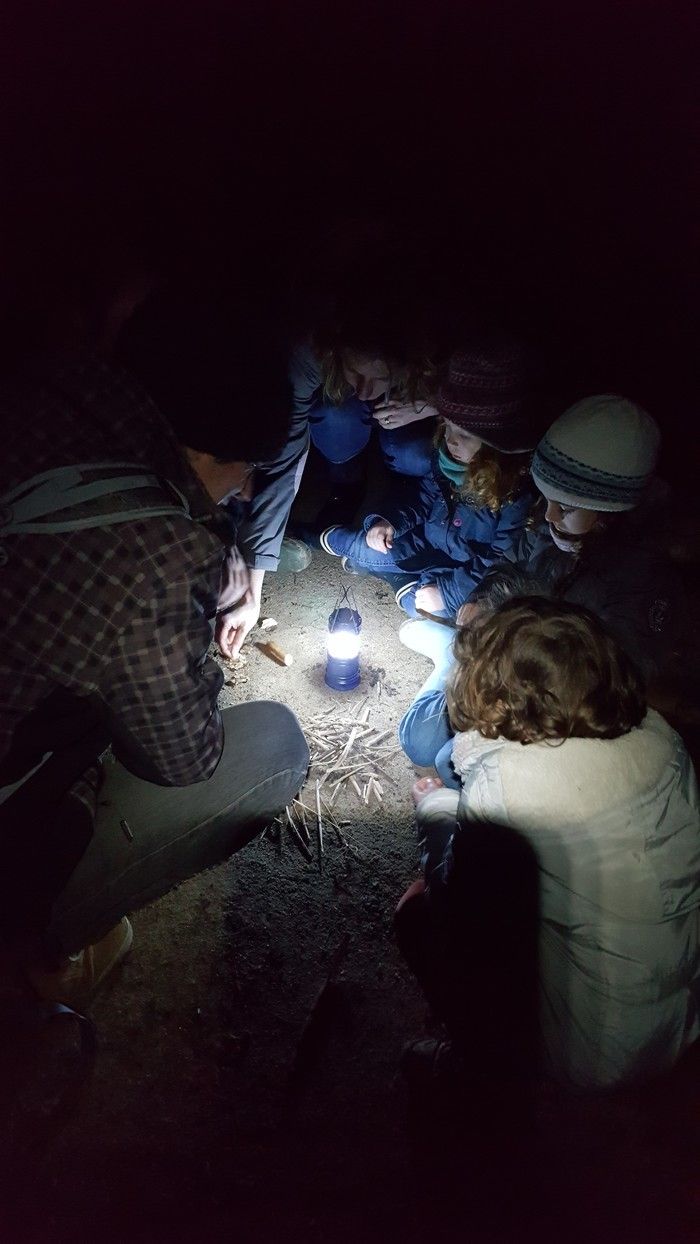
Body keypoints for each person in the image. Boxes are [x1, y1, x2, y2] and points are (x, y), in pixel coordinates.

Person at [0, 302, 309, 1008]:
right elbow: (182, 757)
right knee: (275, 746)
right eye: (248, 470)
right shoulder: (155, 560)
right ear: (206, 451)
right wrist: (192, 624)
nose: (249, 490)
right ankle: (45, 934)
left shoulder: (43, 388)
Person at [397, 597, 700, 1091]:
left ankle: (478, 1070)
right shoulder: (661, 740)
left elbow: (459, 900)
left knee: (417, 914)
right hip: (679, 1016)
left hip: (592, 1051)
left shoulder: (510, 779)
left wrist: (433, 808)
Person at [397, 393, 683, 778]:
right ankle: (452, 655)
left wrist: (514, 662)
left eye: (565, 507)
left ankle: (455, 659)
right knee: (418, 739)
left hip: (547, 699)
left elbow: (614, 685)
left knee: (450, 765)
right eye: (547, 499)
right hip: (505, 658)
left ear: (613, 510)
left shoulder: (643, 579)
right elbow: (512, 562)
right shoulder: (555, 525)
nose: (549, 514)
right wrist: (485, 600)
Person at [217, 261, 443, 659]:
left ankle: (400, 498)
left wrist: (428, 406)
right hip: (344, 410)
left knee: (414, 453)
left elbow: (481, 415)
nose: (366, 389)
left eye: (381, 378)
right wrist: (253, 586)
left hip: (416, 409)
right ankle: (346, 487)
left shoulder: (437, 346)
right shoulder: (311, 349)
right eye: (357, 371)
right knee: (337, 417)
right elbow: (285, 455)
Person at [317, 341, 537, 620]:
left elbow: (500, 560)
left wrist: (446, 592)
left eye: (465, 435)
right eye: (448, 426)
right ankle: (312, 538)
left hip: (464, 569)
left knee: (431, 608)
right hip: (427, 541)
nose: (451, 440)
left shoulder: (513, 492)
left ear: (497, 446)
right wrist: (390, 521)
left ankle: (403, 584)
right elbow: (423, 496)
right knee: (367, 547)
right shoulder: (448, 460)